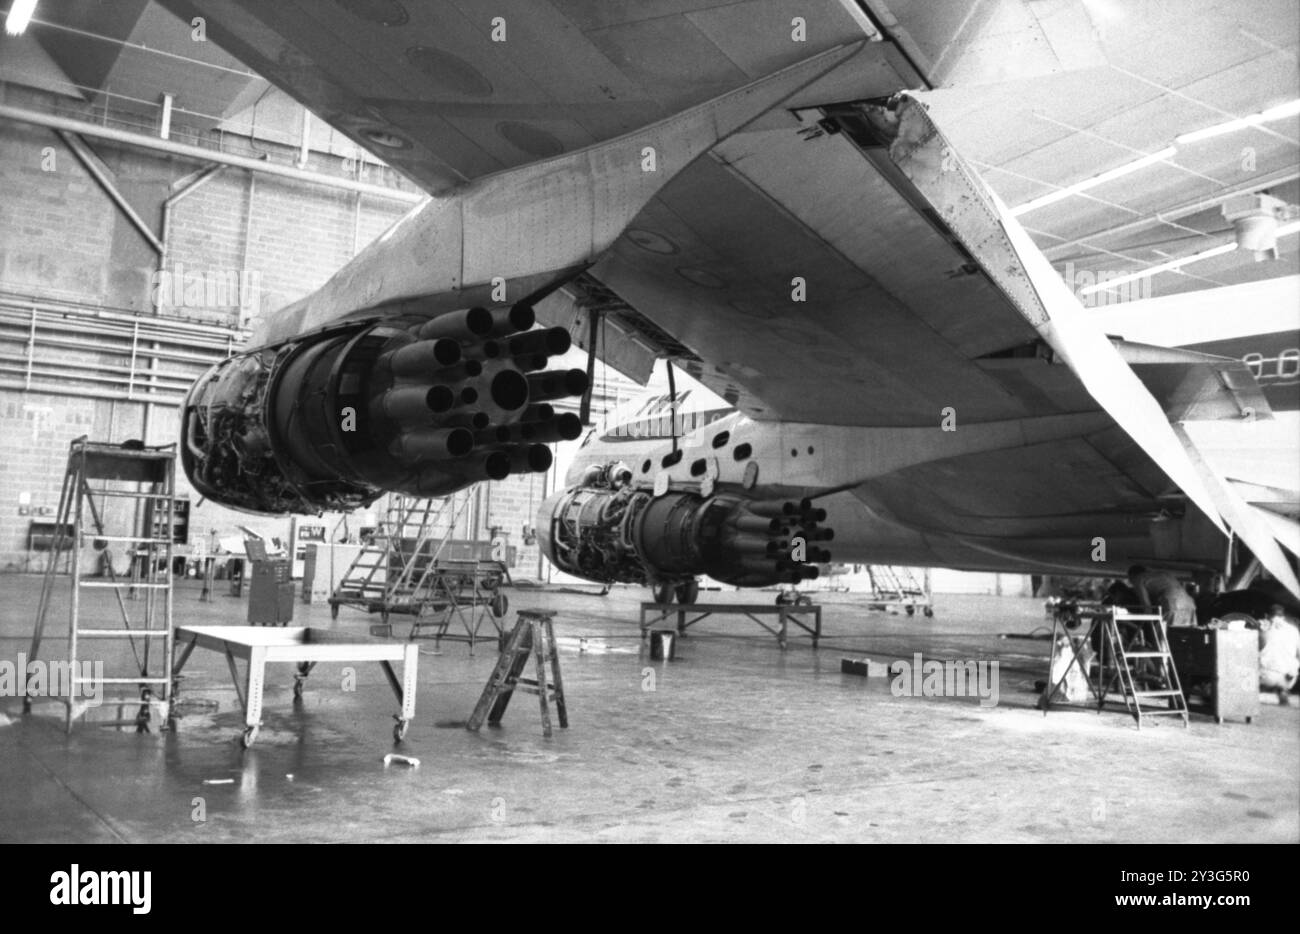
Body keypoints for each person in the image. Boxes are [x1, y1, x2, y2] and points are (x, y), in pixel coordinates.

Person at [1127, 565, 1197, 628]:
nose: (1131, 583)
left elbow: (1146, 605)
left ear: (1132, 576)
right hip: (1189, 605)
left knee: (1164, 637)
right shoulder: (1163, 574)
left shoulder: (1138, 579)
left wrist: (1147, 624)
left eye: (1130, 580)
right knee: (1186, 636)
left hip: (1172, 603)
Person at [1259, 605, 1300, 705]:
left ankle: (1259, 690)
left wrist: (1259, 628)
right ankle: (1283, 690)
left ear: (1266, 616)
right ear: (1283, 617)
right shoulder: (1294, 630)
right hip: (1288, 677)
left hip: (1265, 677)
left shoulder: (1265, 629)